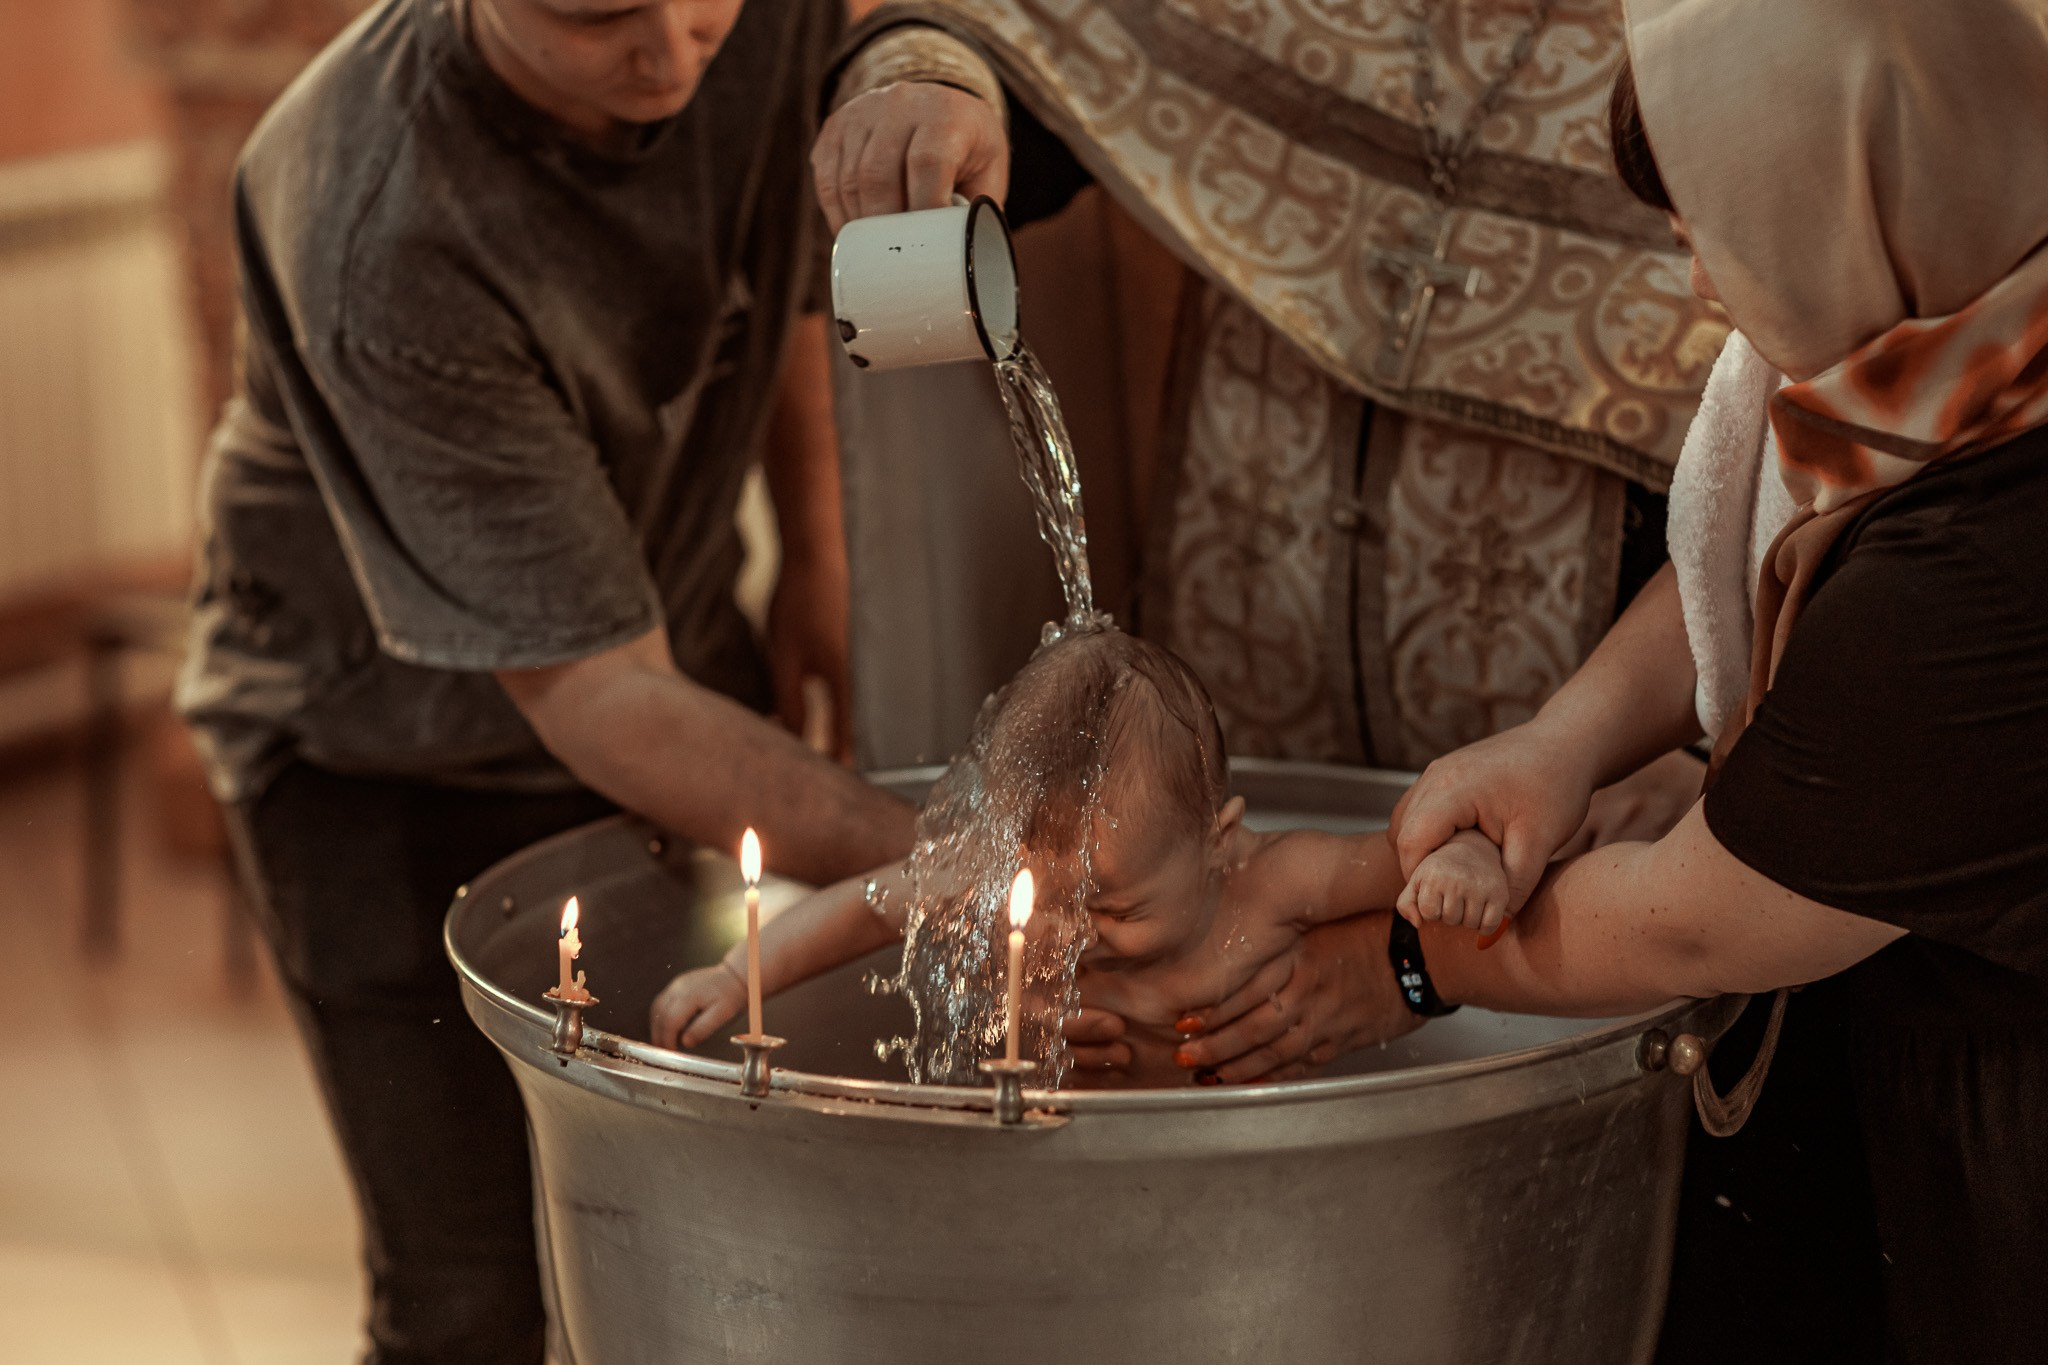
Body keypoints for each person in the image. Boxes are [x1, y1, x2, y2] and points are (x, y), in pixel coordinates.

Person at [1179, 0, 2048, 1357]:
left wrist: (1402, 964)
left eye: (1717, 227)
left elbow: (1701, 923)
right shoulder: (1976, 320)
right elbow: (1759, 522)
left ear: (1842, 182)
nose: (1701, 286)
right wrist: (1566, 739)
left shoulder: (1993, 564)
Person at [176, 1, 916, 1359]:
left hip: (664, 667)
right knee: (470, 1297)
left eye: (702, 3)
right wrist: (944, 860)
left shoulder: (762, 15)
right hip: (378, 756)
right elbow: (600, 693)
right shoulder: (372, 214)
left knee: (689, 1242)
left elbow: (788, 274)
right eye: (594, 17)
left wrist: (818, 548)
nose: (674, 54)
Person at [815, 0, 1721, 850]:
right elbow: (1027, 44)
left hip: (1592, 808)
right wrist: (940, 88)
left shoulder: (1737, 35)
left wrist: (1708, 736)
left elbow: (1825, 452)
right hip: (1224, 761)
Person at [649, 627, 1499, 1082]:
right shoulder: (995, 874)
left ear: (1219, 842)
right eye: (1042, 895)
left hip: (1240, 1147)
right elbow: (865, 908)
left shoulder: (1272, 880)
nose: (1070, 928)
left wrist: (1458, 862)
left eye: (1114, 908)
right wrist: (736, 975)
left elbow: (1400, 856)